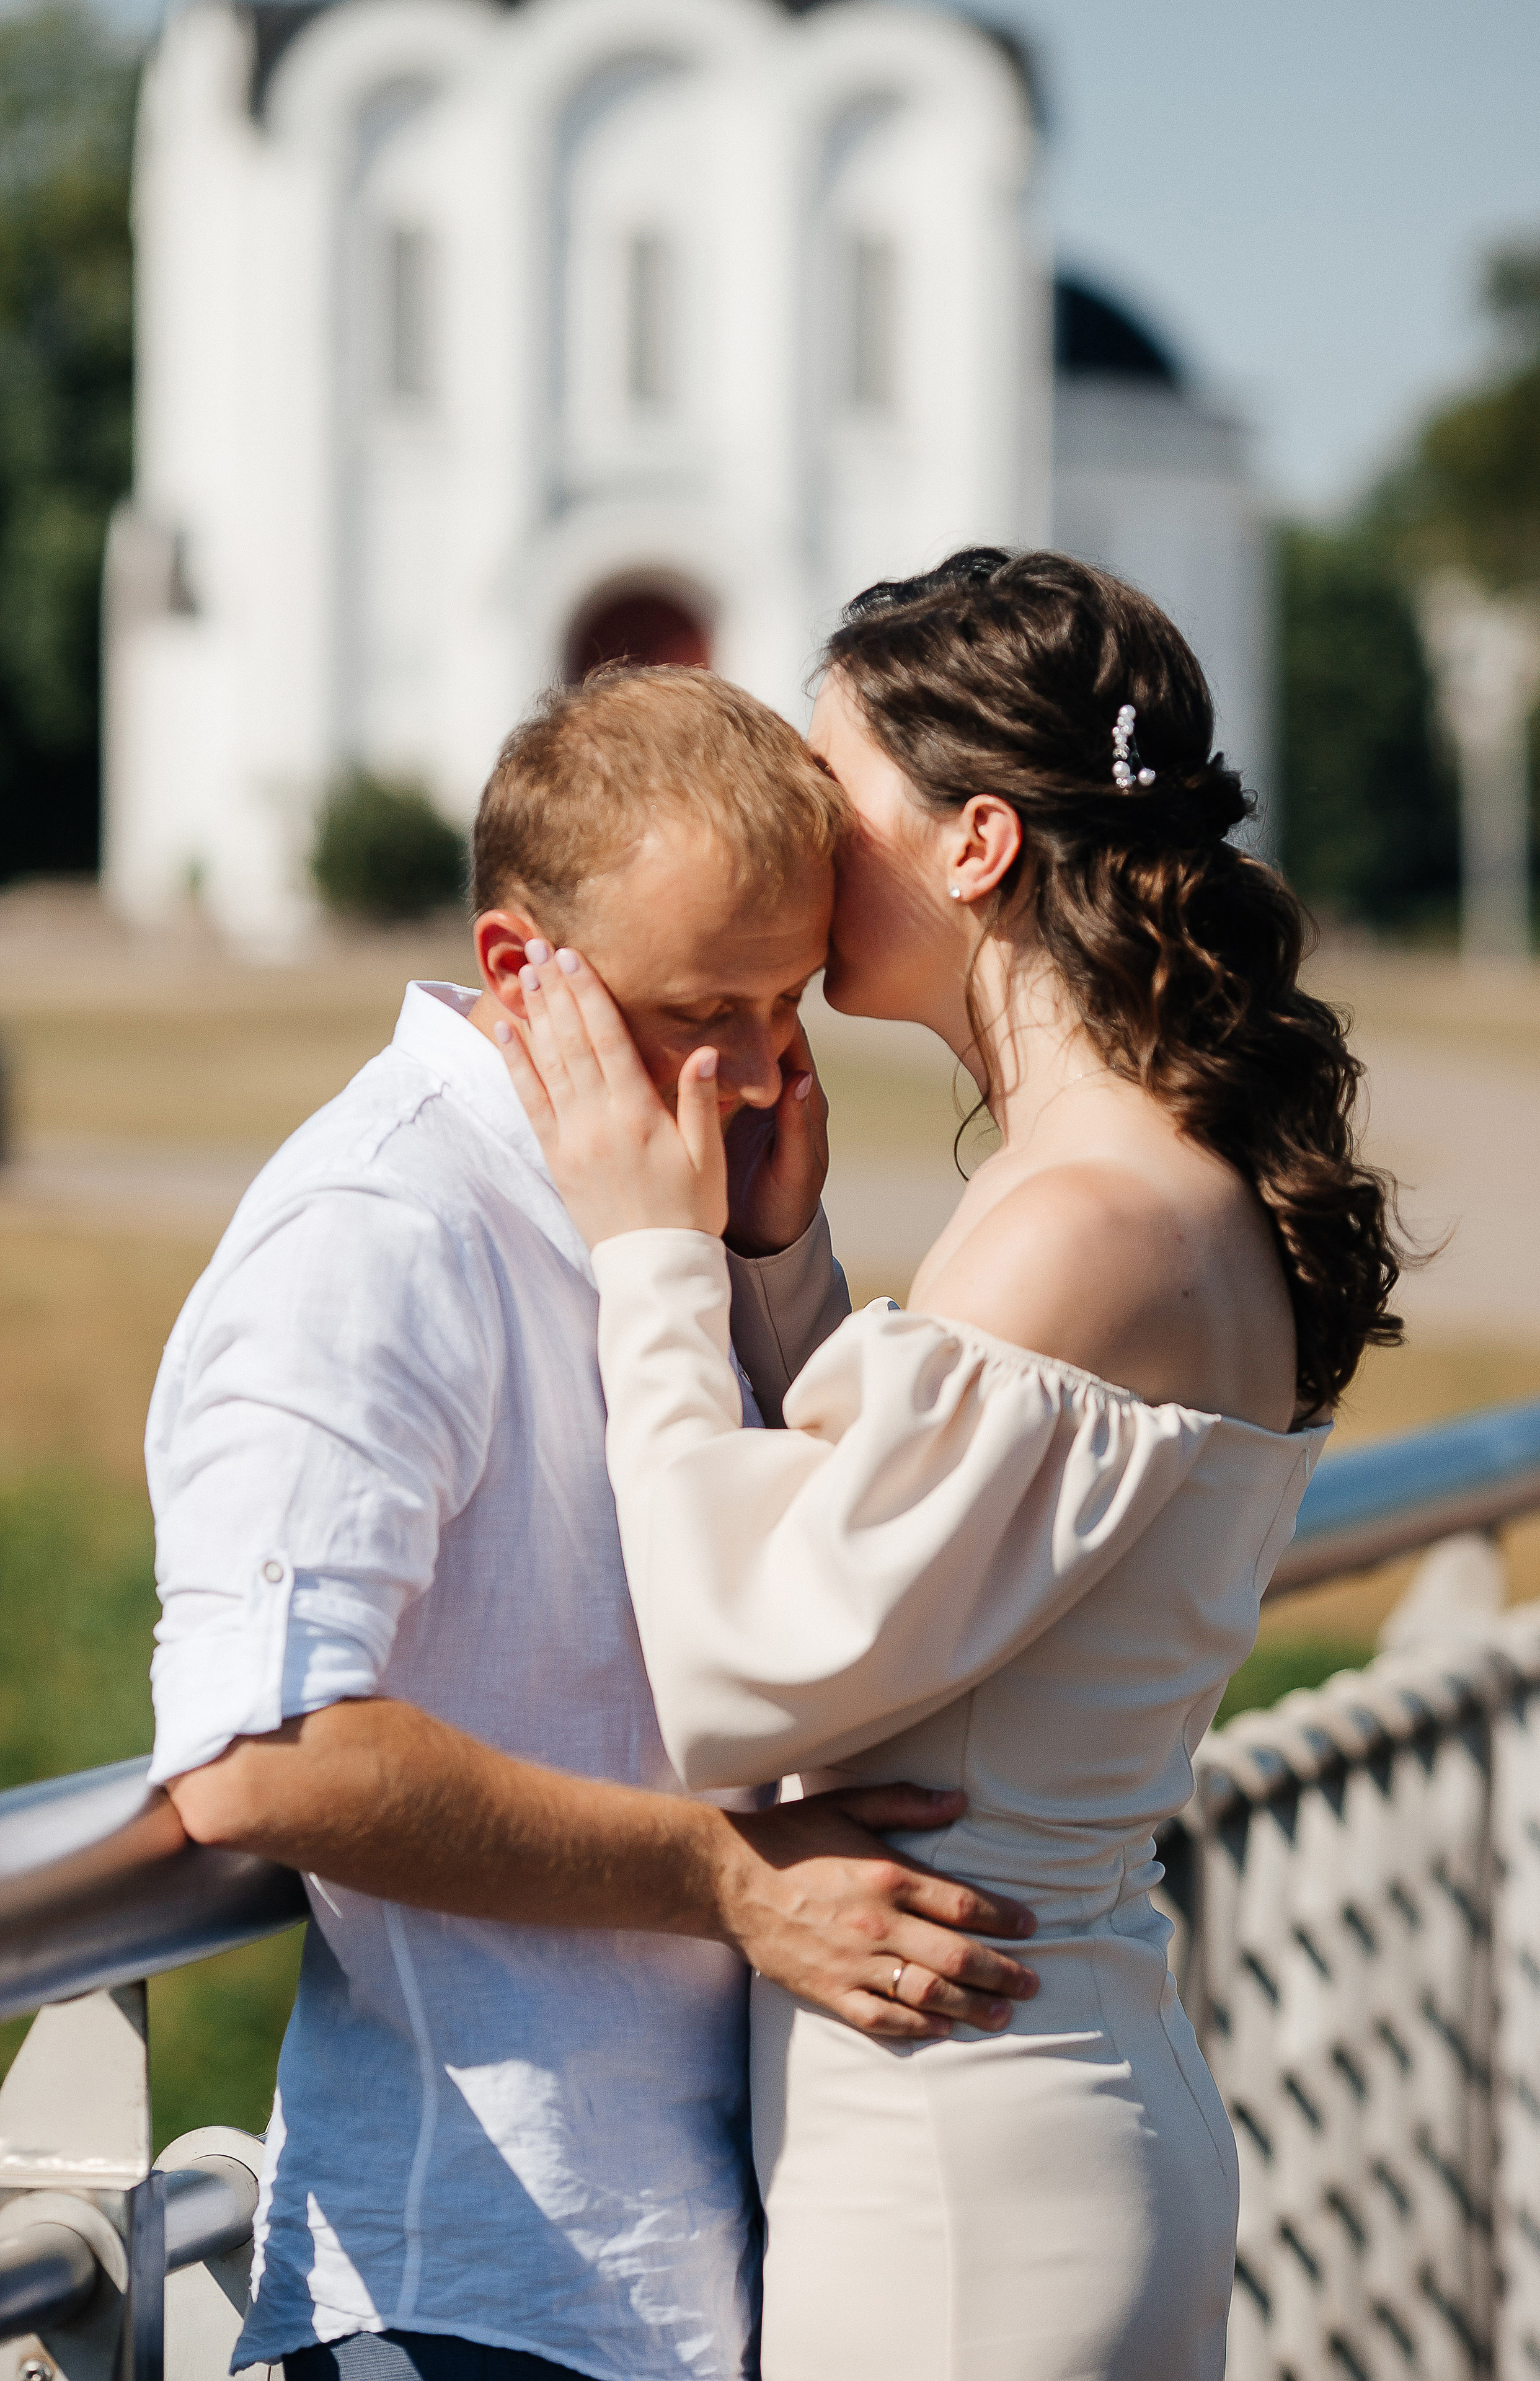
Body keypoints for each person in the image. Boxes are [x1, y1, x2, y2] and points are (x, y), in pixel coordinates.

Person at [495, 550, 1407, 2381]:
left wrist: (653, 1259)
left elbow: (744, 1667)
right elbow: (927, 1570)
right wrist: (781, 1272)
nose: (799, 837)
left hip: (964, 2172)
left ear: (976, 844)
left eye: (833, 792)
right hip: (1044, 2100)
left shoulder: (1079, 1210)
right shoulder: (1140, 1178)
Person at [147, 667, 1039, 2381]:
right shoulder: (374, 1224)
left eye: (793, 1004)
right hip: (469, 2294)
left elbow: (760, 1610)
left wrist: (774, 1280)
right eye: (712, 1007)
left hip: (693, 2266)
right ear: (517, 968)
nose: (771, 1066)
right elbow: (263, 1756)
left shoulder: (674, 1185)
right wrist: (728, 1879)